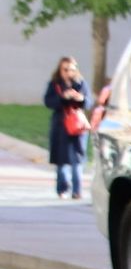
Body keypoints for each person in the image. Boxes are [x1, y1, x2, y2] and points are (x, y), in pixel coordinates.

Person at [43, 56, 94, 200]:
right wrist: (63, 97)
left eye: (71, 69)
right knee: (61, 159)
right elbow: (48, 102)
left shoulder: (80, 83)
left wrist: (81, 99)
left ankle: (77, 191)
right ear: (60, 70)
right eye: (65, 69)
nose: (68, 72)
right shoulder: (55, 84)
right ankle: (62, 189)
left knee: (77, 159)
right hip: (60, 126)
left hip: (77, 126)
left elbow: (89, 102)